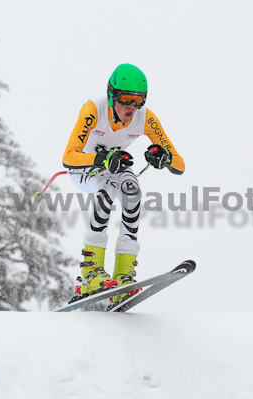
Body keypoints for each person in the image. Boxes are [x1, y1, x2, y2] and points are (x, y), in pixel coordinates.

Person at [62, 63, 185, 305]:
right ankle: (90, 272)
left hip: (116, 167)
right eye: (127, 99)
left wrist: (163, 157)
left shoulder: (144, 118)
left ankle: (124, 273)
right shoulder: (94, 110)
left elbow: (180, 164)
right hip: (85, 167)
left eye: (139, 101)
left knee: (132, 191)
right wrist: (103, 158)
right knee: (106, 190)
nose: (132, 108)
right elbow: (68, 157)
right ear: (111, 96)